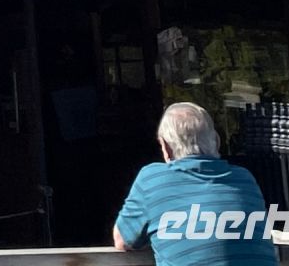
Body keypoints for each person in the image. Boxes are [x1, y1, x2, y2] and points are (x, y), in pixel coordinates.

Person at [113, 101, 276, 266]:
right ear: (217, 141)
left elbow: (122, 240)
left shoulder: (152, 179)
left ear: (166, 148)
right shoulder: (244, 178)